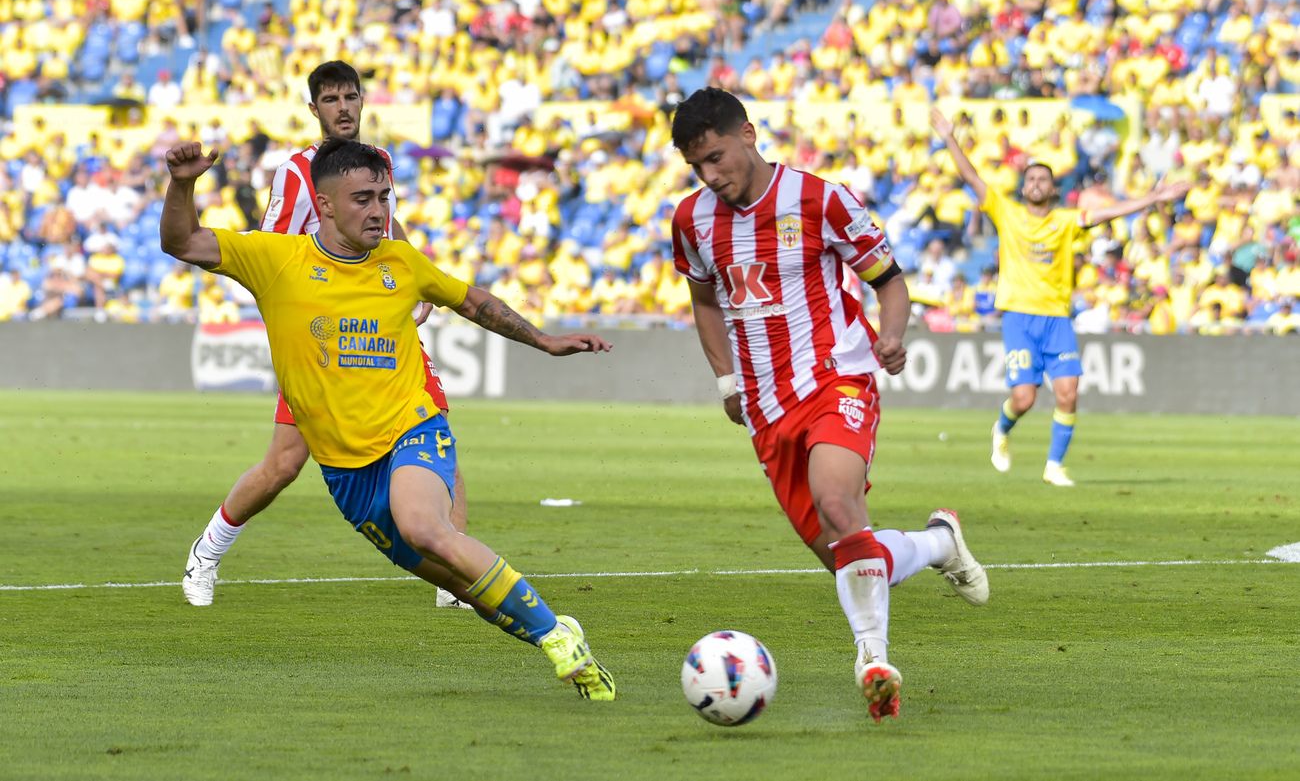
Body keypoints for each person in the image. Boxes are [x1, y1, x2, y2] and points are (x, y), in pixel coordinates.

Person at [160, 138, 616, 700]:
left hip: (412, 428)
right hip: (347, 474)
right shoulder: (275, 259)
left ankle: (553, 637)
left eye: (383, 196)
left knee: (426, 526)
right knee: (464, 584)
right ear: (324, 206)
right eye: (362, 199)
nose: (378, 211)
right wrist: (182, 184)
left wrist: (544, 340)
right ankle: (561, 635)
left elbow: (471, 300)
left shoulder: (402, 262)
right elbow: (181, 240)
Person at [669, 88, 989, 723]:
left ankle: (872, 661)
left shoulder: (821, 198)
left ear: (749, 134)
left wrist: (891, 334)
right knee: (850, 553)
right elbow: (705, 301)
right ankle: (938, 543)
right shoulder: (691, 220)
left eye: (717, 156)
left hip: (836, 377)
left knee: (840, 505)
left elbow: (888, 280)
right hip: (763, 405)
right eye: (697, 166)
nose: (711, 175)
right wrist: (727, 380)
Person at [181, 61, 470, 609]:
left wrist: (417, 280)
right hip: (318, 346)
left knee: (435, 429)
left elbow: (388, 229)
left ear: (363, 103)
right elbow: (268, 252)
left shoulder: (378, 163)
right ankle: (209, 549)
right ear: (314, 110)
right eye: (331, 99)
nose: (343, 107)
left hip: (380, 335)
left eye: (351, 97)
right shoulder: (297, 174)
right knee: (283, 465)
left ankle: (452, 570)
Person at [931, 106, 1190, 485]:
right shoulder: (1006, 212)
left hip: (1056, 318)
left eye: (1043, 179)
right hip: (1019, 317)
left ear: (1053, 189)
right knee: (1024, 399)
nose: (1036, 183)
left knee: (1068, 391)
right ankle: (1001, 430)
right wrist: (949, 136)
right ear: (1024, 187)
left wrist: (1153, 198)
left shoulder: (1066, 221)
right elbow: (970, 175)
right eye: (1031, 178)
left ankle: (1054, 465)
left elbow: (1111, 213)